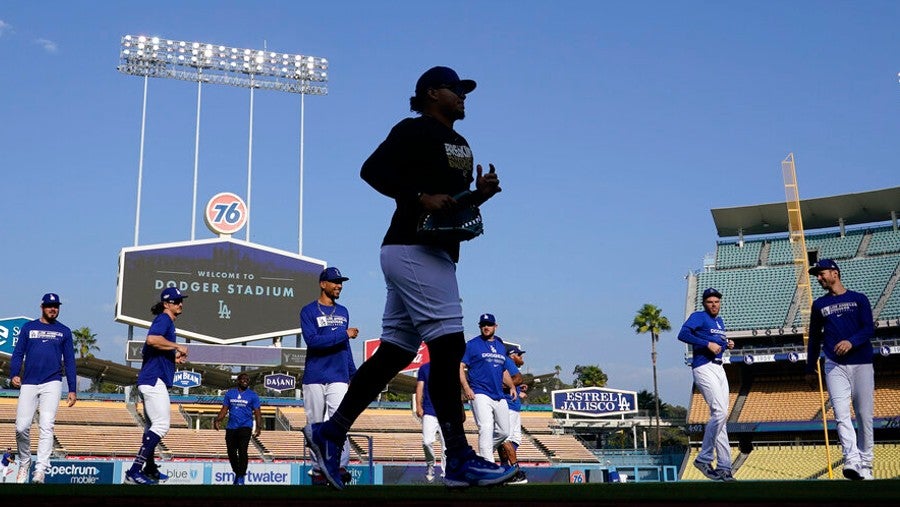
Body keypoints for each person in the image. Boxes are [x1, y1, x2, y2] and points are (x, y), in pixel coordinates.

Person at [303, 65, 512, 490]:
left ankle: (330, 432)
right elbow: (372, 170)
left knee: (396, 351)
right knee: (450, 342)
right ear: (432, 93)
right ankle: (458, 458)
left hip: (432, 250)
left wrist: (479, 195)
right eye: (456, 90)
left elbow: (447, 204)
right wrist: (417, 196)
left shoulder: (461, 142)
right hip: (412, 247)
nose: (463, 96)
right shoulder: (413, 129)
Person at [805, 259, 875, 481]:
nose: (819, 278)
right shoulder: (819, 305)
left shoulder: (858, 299)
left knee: (864, 415)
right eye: (817, 275)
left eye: (821, 273)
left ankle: (866, 463)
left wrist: (851, 342)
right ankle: (851, 460)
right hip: (834, 364)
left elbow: (869, 328)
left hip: (862, 362)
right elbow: (815, 338)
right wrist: (809, 365)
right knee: (841, 415)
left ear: (835, 273)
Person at [9, 293, 77, 484]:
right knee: (21, 427)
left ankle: (40, 470)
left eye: (56, 306)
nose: (53, 309)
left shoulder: (64, 331)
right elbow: (18, 353)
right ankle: (24, 462)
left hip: (52, 382)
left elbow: (70, 361)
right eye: (49, 306)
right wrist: (14, 372)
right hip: (29, 382)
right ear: (42, 307)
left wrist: (72, 388)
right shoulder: (28, 327)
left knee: (47, 426)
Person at [124, 287, 189, 485]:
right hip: (153, 380)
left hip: (151, 378)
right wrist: (177, 347)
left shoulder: (166, 321)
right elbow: (152, 339)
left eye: (181, 300)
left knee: (151, 426)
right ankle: (134, 471)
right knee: (161, 425)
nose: (180, 304)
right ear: (166, 304)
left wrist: (172, 356)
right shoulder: (164, 319)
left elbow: (152, 348)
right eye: (176, 301)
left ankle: (150, 469)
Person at [299, 267, 358, 486]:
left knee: (341, 422)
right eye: (334, 282)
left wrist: (353, 373)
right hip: (315, 374)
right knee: (315, 425)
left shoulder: (343, 311)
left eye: (340, 282)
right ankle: (318, 470)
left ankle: (339, 466)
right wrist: (343, 333)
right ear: (323, 284)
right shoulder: (308, 311)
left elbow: (346, 346)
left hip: (339, 375)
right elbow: (313, 341)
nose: (339, 285)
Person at [677, 288, 735, 482]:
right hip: (703, 367)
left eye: (717, 301)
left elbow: (717, 343)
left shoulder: (720, 321)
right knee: (719, 412)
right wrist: (707, 343)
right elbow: (683, 334)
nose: (714, 305)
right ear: (704, 303)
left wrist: (727, 344)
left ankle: (725, 467)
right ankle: (704, 458)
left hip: (719, 367)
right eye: (710, 302)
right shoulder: (699, 317)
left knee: (721, 417)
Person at [460, 313, 520, 463]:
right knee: (485, 427)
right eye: (483, 325)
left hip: (499, 394)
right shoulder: (472, 345)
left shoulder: (500, 346)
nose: (486, 327)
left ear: (495, 326)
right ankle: (488, 464)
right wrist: (466, 387)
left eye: (489, 325)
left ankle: (481, 456)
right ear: (480, 327)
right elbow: (460, 366)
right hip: (480, 392)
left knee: (505, 432)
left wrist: (511, 386)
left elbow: (503, 369)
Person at [214, 373, 262, 485]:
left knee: (242, 450)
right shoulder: (230, 393)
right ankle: (237, 472)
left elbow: (258, 412)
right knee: (231, 452)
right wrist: (217, 420)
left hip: (245, 427)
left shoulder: (253, 395)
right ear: (238, 381)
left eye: (247, 379)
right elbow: (224, 409)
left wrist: (259, 427)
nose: (246, 380)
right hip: (231, 427)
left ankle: (241, 476)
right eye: (243, 379)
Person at [500, 344, 528, 485]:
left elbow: (514, 381)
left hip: (513, 407)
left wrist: (518, 389)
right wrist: (513, 385)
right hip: (508, 407)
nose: (521, 357)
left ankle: (505, 468)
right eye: (518, 354)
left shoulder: (510, 364)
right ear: (512, 355)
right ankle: (512, 470)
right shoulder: (507, 361)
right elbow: (517, 378)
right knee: (507, 438)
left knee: (514, 439)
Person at [415, 362, 445, 483]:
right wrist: (418, 405)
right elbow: (420, 387)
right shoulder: (425, 368)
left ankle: (446, 473)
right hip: (429, 410)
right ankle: (430, 465)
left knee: (446, 446)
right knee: (427, 442)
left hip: (446, 413)